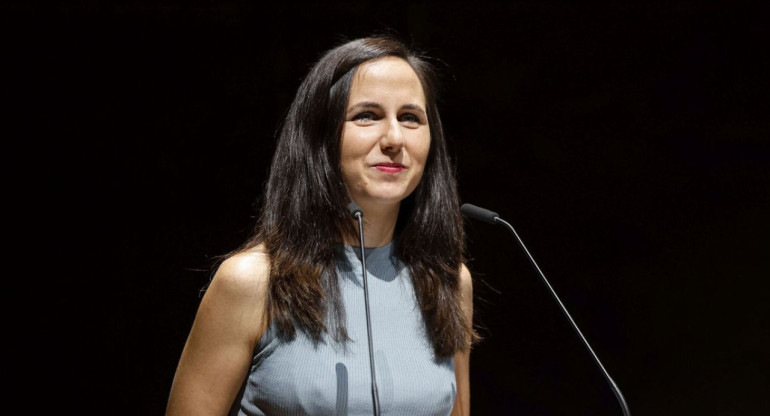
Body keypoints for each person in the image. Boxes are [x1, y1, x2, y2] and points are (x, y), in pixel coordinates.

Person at [165, 34, 478, 416]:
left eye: (410, 118)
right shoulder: (253, 281)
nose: (395, 138)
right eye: (367, 115)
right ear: (320, 137)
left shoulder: (447, 281)